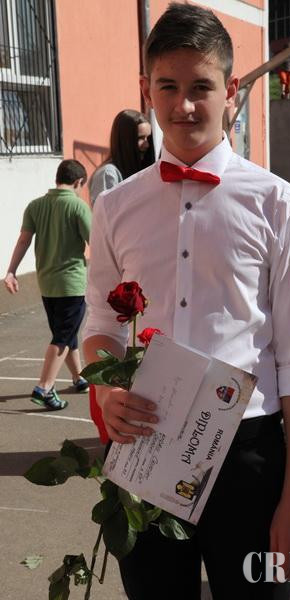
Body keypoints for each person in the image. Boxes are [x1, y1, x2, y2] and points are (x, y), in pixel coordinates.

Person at [83, 4, 290, 599]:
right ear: (146, 89)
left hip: (248, 452)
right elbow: (100, 325)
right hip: (146, 444)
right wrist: (106, 392)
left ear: (231, 90)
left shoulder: (277, 203)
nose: (184, 105)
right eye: (168, 86)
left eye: (201, 87)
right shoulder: (115, 207)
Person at [88, 109, 155, 442]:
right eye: (139, 138)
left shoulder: (144, 173)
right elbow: (107, 227)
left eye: (147, 138)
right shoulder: (110, 175)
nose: (145, 145)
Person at [4, 159, 91, 410]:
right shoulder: (78, 206)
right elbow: (96, 240)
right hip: (71, 283)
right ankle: (44, 387)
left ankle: (78, 377)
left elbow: (23, 241)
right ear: (79, 182)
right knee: (63, 335)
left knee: (65, 333)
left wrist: (11, 271)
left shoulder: (36, 205)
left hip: (47, 283)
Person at [89, 109, 154, 206]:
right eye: (140, 138)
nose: (147, 145)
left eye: (148, 138)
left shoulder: (142, 170)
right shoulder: (108, 173)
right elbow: (106, 212)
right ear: (124, 140)